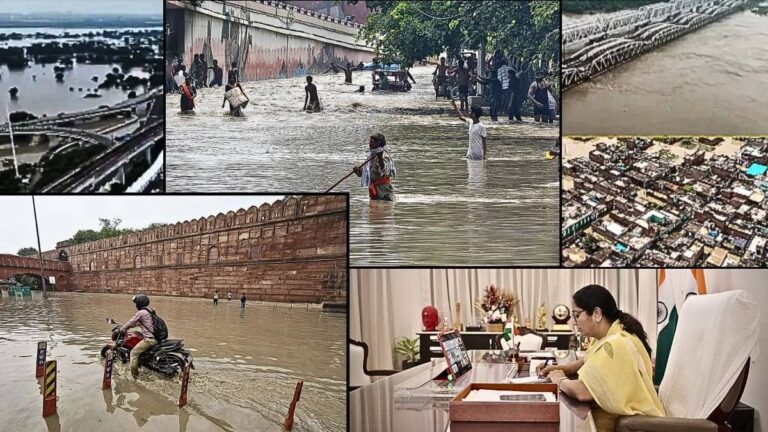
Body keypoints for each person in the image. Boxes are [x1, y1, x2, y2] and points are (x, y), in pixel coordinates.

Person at [537, 285, 665, 432]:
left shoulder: (616, 344)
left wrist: (559, 379)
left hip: (632, 425)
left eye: (577, 315)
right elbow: (589, 360)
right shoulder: (613, 333)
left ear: (597, 314)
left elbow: (582, 392)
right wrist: (562, 368)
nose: (574, 322)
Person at [119, 294, 158, 379]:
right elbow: (145, 322)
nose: (136, 305)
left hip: (150, 339)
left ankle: (134, 376)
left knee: (133, 353)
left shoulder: (140, 312)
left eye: (136, 303)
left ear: (139, 303)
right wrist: (133, 325)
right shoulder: (150, 310)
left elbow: (131, 322)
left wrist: (122, 329)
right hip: (156, 337)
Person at [353, 133, 396, 201]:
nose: (370, 143)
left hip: (385, 194)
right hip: (375, 192)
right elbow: (365, 174)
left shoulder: (384, 155)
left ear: (378, 143)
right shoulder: (371, 156)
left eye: (372, 142)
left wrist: (380, 158)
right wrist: (358, 171)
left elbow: (385, 171)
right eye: (370, 141)